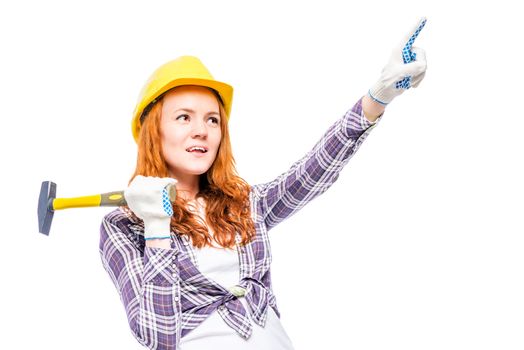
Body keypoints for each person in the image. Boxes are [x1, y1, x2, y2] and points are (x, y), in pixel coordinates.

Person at [99, 18, 427, 350]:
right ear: (153, 131)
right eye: (184, 116)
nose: (201, 130)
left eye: (212, 119)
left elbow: (311, 172)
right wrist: (157, 226)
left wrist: (377, 98)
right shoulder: (123, 226)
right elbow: (157, 336)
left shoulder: (245, 204)